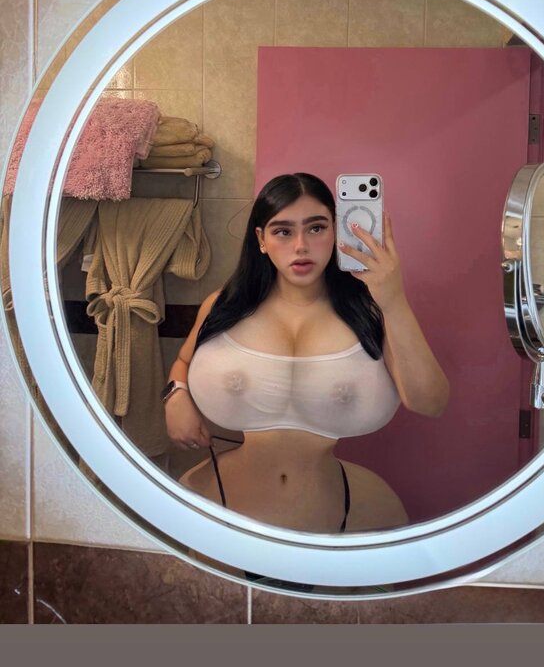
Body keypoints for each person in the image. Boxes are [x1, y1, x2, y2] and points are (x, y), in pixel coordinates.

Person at [163, 172, 449, 534]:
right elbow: (184, 361)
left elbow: (430, 403)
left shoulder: (372, 315)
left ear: (336, 232)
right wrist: (175, 396)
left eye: (316, 228)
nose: (301, 246)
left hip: (342, 513)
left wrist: (392, 299)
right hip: (217, 498)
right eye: (283, 231)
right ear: (261, 240)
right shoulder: (224, 306)